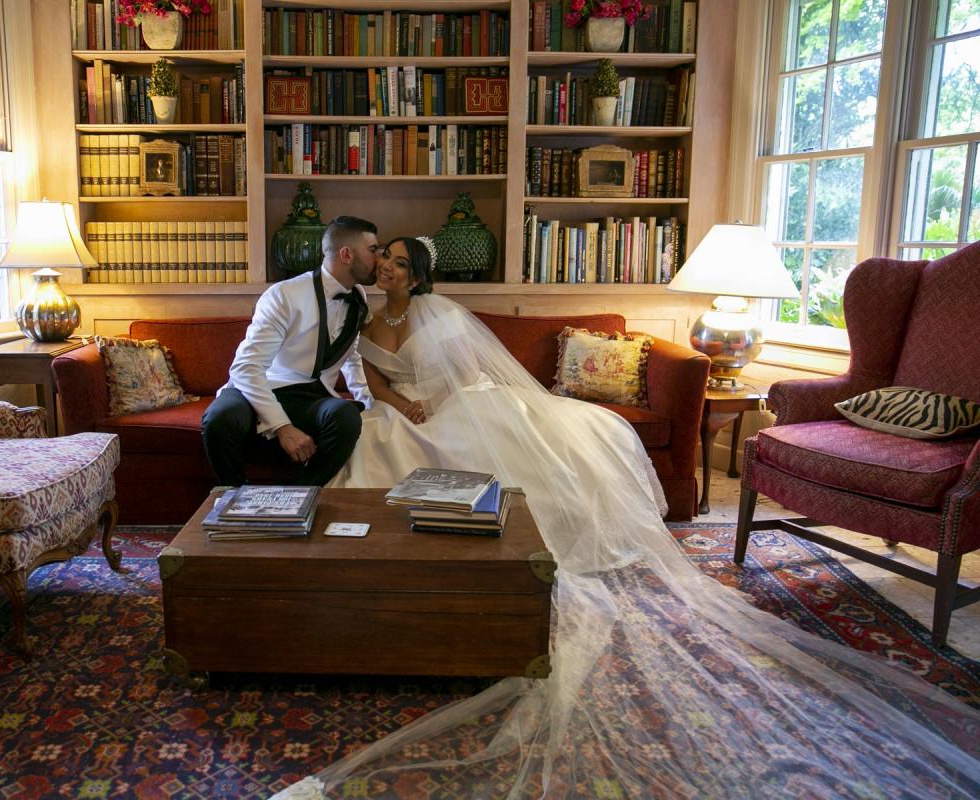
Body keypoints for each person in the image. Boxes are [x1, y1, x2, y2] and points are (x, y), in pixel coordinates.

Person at [274, 236, 980, 799]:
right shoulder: (361, 316)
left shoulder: (442, 315)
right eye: (384, 260)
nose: (387, 269)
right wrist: (400, 406)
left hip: (462, 401)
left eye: (400, 263)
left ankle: (489, 541)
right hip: (403, 410)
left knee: (471, 448)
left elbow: (464, 375)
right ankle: (385, 547)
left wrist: (433, 403)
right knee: (378, 438)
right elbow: (368, 380)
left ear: (419, 274)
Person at [201, 215, 379, 487]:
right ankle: (234, 495)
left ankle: (303, 495)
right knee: (219, 419)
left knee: (346, 416)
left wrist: (370, 402)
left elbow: (351, 356)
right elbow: (247, 367)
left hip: (309, 397)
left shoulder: (358, 296)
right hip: (259, 388)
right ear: (346, 255)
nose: (379, 258)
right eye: (373, 249)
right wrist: (282, 427)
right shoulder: (284, 295)